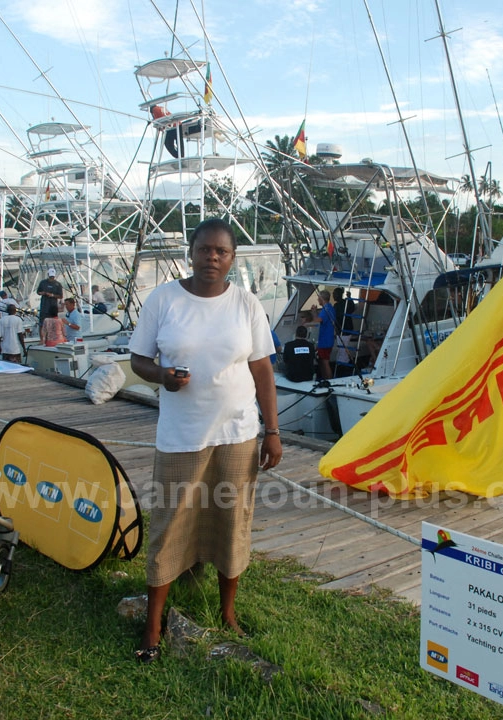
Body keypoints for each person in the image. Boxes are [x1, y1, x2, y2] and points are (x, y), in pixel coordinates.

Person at [128, 217, 282, 664]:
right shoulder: (164, 299)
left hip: (237, 433)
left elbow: (263, 372)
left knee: (232, 522)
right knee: (169, 524)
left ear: (232, 259)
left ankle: (227, 612)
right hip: (182, 436)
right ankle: (153, 623)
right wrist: (161, 377)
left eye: (222, 252)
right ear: (190, 252)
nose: (212, 258)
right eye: (205, 249)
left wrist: (271, 431)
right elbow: (139, 359)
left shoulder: (247, 305)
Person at [311, 290, 337, 380]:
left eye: (318, 298)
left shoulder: (326, 309)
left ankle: (329, 380)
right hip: (328, 339)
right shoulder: (330, 308)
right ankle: (325, 378)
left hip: (325, 341)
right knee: (321, 361)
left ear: (322, 298)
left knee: (325, 362)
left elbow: (317, 320)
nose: (318, 299)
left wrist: (314, 312)